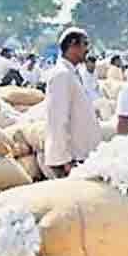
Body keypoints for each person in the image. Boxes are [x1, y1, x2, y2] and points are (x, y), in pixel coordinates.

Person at [43, 27, 102, 178]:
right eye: (85, 44)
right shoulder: (61, 75)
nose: (87, 49)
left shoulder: (72, 73)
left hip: (81, 155)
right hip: (70, 160)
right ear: (73, 45)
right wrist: (64, 159)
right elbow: (57, 120)